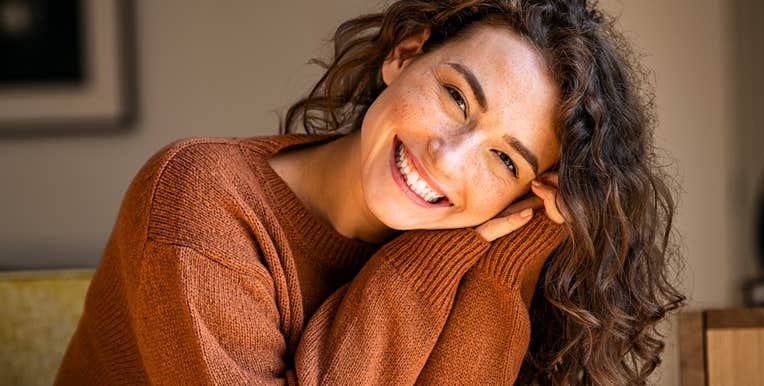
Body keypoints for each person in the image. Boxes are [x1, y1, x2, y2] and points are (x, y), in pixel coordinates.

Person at [55, 0, 684, 385]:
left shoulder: (479, 253)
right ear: (404, 55)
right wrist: (421, 266)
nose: (446, 157)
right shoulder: (201, 198)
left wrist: (510, 256)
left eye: (502, 159)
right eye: (456, 96)